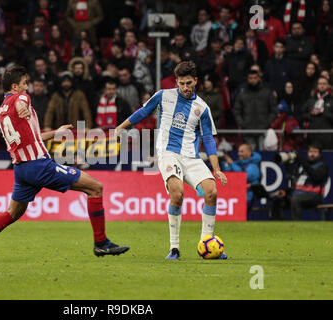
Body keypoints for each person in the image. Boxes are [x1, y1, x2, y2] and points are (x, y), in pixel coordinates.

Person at [0, 65, 129, 260]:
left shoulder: (1, 111)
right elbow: (21, 103)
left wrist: (56, 133)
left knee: (12, 213)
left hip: (22, 169)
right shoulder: (20, 98)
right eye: (24, 83)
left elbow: (32, 136)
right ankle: (101, 243)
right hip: (38, 165)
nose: (27, 87)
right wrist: (22, 106)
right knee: (95, 188)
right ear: (14, 86)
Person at [115, 61, 228, 260]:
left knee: (211, 192)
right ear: (176, 81)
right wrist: (120, 128)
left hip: (191, 157)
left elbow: (208, 139)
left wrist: (216, 169)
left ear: (196, 81)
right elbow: (143, 112)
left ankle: (205, 243)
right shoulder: (163, 96)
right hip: (168, 153)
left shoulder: (202, 108)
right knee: (177, 194)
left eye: (189, 83)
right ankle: (174, 248)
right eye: (182, 83)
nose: (185, 87)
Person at [233, 69, 278, 150]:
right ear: (247, 79)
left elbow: (274, 110)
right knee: (250, 154)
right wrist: (242, 123)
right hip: (247, 131)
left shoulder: (267, 92)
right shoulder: (242, 93)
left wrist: (267, 122)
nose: (253, 80)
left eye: (255, 78)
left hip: (263, 130)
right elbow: (236, 110)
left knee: (263, 154)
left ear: (259, 78)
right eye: (250, 78)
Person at [222, 144, 261, 208]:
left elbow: (242, 177)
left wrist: (231, 163)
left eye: (241, 151)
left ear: (249, 153)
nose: (239, 154)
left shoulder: (253, 165)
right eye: (238, 151)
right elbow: (227, 173)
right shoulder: (239, 162)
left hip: (248, 195)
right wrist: (223, 162)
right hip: (237, 193)